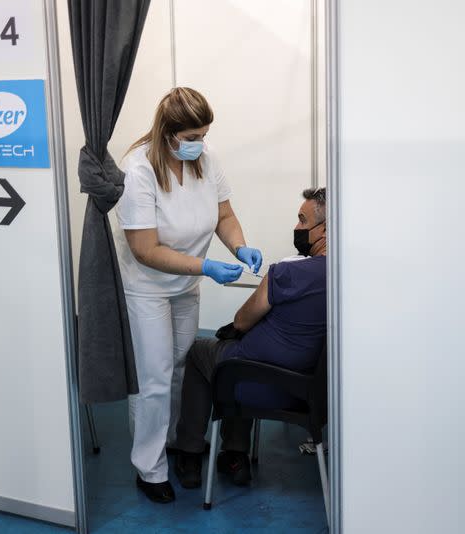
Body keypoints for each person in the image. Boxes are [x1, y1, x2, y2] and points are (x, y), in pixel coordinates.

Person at [114, 87, 263, 504]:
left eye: (205, 134)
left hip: (185, 286)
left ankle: (181, 446)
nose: (201, 142)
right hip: (147, 288)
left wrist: (238, 247)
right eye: (193, 135)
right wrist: (206, 266)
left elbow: (225, 215)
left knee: (182, 368)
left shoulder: (206, 159)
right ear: (169, 133)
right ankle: (150, 467)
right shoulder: (138, 170)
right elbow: (145, 249)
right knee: (155, 378)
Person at [172, 187, 327, 489]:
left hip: (259, 384)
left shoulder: (287, 273)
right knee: (237, 355)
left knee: (203, 353)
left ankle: (190, 452)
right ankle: (234, 457)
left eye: (302, 220)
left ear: (326, 229)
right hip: (312, 391)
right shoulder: (348, 274)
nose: (296, 227)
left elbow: (243, 320)